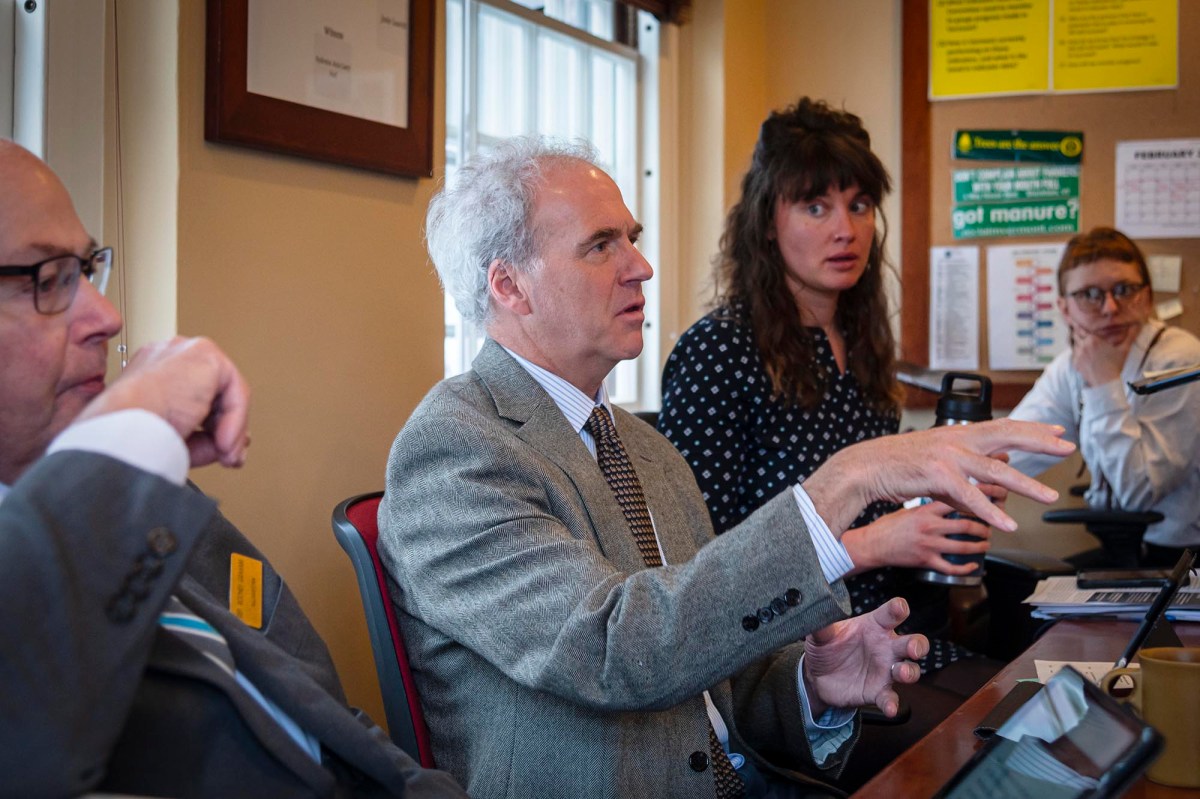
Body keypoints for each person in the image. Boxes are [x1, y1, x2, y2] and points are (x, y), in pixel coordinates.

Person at [378, 136, 1073, 799]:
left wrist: (811, 682)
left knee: (1040, 755)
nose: (640, 266)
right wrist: (848, 479)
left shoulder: (646, 450)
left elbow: (719, 672)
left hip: (748, 780)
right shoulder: (456, 449)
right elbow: (618, 649)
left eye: (632, 238)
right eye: (600, 245)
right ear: (510, 286)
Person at [0, 140, 466, 798]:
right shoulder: (127, 476)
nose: (107, 317)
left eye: (87, 269)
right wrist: (133, 434)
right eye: (49, 280)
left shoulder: (154, 496)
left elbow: (320, 714)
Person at [658, 97, 1001, 787]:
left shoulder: (868, 351)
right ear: (767, 222)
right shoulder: (717, 352)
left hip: (898, 636)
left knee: (1036, 707)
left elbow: (886, 521)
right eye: (815, 206)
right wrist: (879, 541)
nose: (845, 229)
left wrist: (945, 515)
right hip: (791, 672)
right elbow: (705, 568)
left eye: (861, 204)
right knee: (991, 747)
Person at [1008, 226, 1200, 564]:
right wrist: (927, 487)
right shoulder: (1071, 364)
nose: (1111, 307)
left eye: (1124, 289)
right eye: (1090, 294)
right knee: (1017, 585)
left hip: (1180, 558)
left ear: (1148, 297)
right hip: (1124, 550)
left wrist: (1103, 384)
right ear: (1065, 309)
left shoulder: (1181, 359)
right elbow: (1011, 448)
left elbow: (1139, 493)